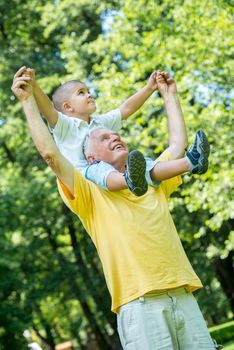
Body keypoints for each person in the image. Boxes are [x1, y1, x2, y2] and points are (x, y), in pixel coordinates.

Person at [12, 71, 216, 350]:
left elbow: (177, 147)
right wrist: (28, 98)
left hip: (183, 294)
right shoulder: (89, 192)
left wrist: (169, 96)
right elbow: (50, 153)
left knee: (157, 167)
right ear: (92, 156)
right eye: (104, 138)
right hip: (140, 305)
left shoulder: (151, 181)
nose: (114, 136)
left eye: (116, 135)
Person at [13, 67, 209, 198]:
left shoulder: (100, 123)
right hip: (87, 180)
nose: (89, 94)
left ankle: (191, 162)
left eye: (88, 90)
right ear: (68, 107)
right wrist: (35, 86)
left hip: (116, 173)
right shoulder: (65, 126)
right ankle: (128, 179)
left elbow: (126, 109)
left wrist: (150, 88)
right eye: (81, 93)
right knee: (99, 168)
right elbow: (48, 108)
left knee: (149, 165)